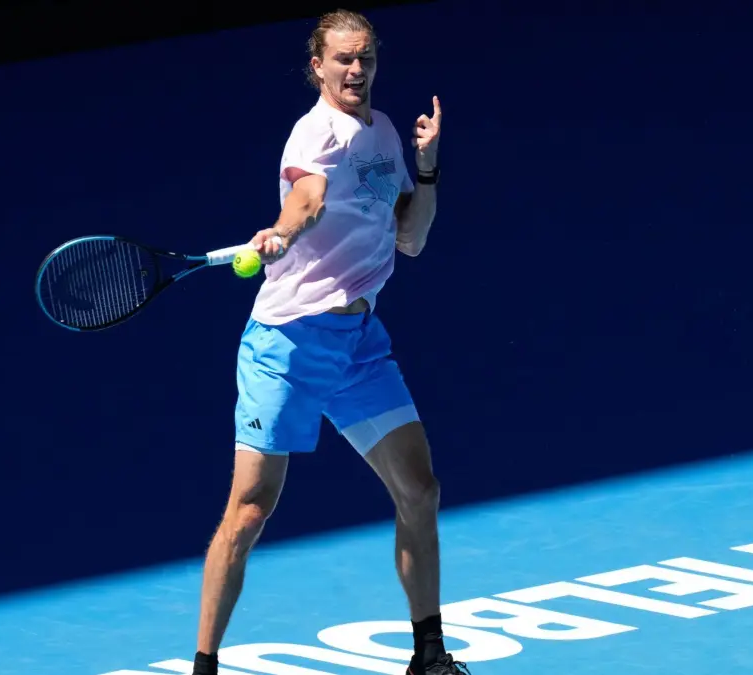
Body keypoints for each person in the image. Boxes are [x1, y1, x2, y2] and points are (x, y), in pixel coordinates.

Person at [191, 10, 466, 675]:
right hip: (288, 344)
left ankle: (428, 654)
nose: (355, 71)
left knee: (419, 489)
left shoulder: (384, 135)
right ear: (317, 65)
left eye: (365, 58)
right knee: (250, 510)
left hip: (358, 344)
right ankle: (204, 666)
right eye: (342, 59)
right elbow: (307, 201)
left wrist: (426, 171)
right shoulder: (315, 134)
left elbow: (412, 236)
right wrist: (282, 233)